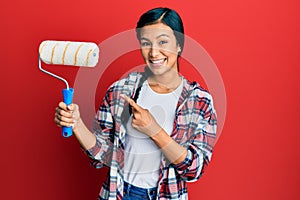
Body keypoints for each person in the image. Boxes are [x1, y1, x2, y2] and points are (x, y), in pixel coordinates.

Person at [54, 7, 217, 200]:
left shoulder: (199, 101)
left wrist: (154, 130)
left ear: (179, 44)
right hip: (118, 194)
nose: (154, 52)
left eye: (163, 42)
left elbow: (194, 169)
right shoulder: (121, 90)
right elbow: (101, 155)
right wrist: (76, 124)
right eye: (146, 43)